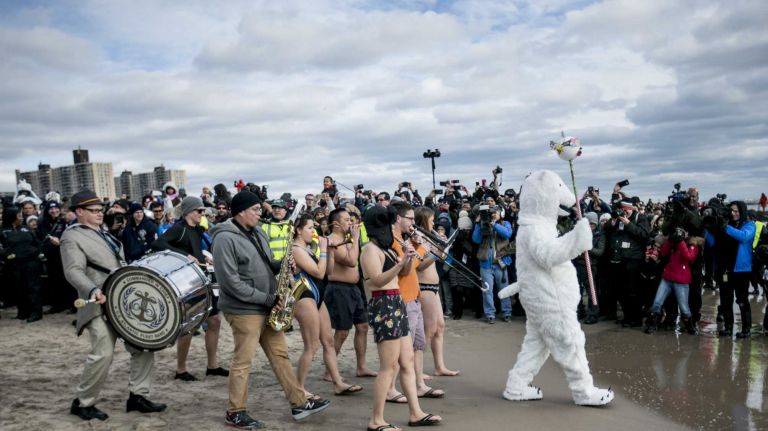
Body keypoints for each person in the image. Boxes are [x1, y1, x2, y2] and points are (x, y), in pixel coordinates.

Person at [210, 190, 330, 429]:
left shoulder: (257, 232)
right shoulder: (224, 239)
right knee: (243, 361)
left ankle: (298, 403)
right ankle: (235, 412)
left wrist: (283, 264)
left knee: (280, 355)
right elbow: (230, 282)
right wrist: (267, 298)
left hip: (266, 304)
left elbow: (266, 262)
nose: (260, 213)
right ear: (241, 211)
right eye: (255, 210)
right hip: (244, 309)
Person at [61, 190, 166, 421]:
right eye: (94, 211)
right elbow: (73, 270)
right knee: (103, 354)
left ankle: (138, 396)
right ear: (79, 212)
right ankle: (83, 403)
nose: (100, 214)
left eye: (101, 210)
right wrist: (92, 290)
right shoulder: (72, 237)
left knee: (143, 346)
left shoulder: (104, 233)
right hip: (98, 302)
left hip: (122, 300)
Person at [361, 206, 442, 431]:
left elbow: (405, 273)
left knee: (406, 361)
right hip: (383, 304)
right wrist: (400, 262)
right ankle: (376, 420)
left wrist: (408, 255)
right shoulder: (369, 250)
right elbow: (376, 280)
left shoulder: (386, 248)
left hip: (396, 301)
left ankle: (415, 413)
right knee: (388, 366)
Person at [152, 196, 229, 381]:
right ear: (188, 212)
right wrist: (184, 255)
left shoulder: (198, 230)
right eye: (199, 211)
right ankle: (181, 369)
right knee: (188, 326)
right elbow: (158, 244)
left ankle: (212, 365)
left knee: (215, 321)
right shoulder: (178, 229)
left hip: (202, 280)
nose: (202, 214)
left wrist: (204, 256)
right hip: (187, 284)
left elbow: (196, 250)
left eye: (203, 211)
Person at [290, 213, 363, 396]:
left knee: (328, 341)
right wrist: (323, 249)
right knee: (312, 345)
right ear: (298, 230)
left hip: (318, 295)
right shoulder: (296, 249)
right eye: (309, 228)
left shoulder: (307, 248)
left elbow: (327, 271)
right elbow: (317, 272)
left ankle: (338, 382)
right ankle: (298, 388)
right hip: (305, 297)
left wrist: (329, 253)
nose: (313, 232)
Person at [390, 201, 445, 400]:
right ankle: (390, 389)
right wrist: (422, 248)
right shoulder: (393, 241)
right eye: (411, 219)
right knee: (403, 349)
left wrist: (417, 244)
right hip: (404, 298)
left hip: (415, 296)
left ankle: (419, 384)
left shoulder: (406, 239)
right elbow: (409, 267)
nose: (414, 223)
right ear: (398, 219)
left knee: (418, 345)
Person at [325, 208, 377, 378]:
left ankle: (361, 367)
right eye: (347, 220)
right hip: (339, 289)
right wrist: (355, 239)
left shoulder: (347, 239)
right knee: (342, 331)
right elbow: (349, 261)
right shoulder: (331, 240)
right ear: (336, 224)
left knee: (362, 326)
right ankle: (328, 371)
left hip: (354, 289)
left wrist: (353, 240)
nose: (351, 223)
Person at [413, 207, 459, 377]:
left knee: (439, 327)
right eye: (431, 219)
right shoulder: (418, 238)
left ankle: (439, 366)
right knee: (428, 330)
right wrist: (438, 252)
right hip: (424, 286)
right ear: (424, 220)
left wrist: (443, 247)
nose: (434, 222)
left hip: (433, 287)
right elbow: (419, 265)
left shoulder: (429, 236)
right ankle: (417, 369)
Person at [644, 227, 702, 335]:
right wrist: (671, 240)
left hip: (682, 280)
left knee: (684, 307)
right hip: (667, 278)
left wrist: (681, 242)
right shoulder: (672, 243)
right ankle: (652, 324)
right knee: (657, 303)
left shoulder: (693, 244)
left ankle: (690, 327)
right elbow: (663, 253)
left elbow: (689, 258)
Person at [602, 199, 650, 326]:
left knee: (633, 291)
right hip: (620, 259)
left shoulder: (641, 218)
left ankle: (636, 318)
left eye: (626, 209)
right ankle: (627, 316)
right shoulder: (618, 219)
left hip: (634, 259)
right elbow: (606, 229)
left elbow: (644, 235)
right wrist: (613, 220)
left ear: (632, 209)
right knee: (622, 291)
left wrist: (628, 223)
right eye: (622, 209)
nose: (624, 212)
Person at [716, 201, 756, 338]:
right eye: (731, 211)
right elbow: (711, 242)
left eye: (736, 211)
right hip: (725, 269)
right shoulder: (726, 225)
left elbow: (744, 236)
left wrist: (725, 227)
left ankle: (746, 329)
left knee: (742, 300)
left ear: (742, 211)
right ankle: (728, 328)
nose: (733, 213)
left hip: (741, 270)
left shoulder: (750, 225)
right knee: (726, 300)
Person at [472, 205, 514, 323]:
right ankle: (490, 314)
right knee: (487, 290)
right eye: (492, 212)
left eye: (496, 212)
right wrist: (478, 224)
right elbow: (476, 240)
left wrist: (494, 224)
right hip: (485, 264)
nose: (493, 214)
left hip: (501, 263)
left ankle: (507, 313)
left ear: (501, 213)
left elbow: (507, 234)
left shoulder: (505, 223)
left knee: (504, 289)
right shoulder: (483, 224)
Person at [0, 206, 43, 322]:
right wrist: (6, 254)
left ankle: (36, 312)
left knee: (33, 288)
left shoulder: (25, 229)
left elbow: (36, 243)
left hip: (30, 263)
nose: (22, 217)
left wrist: (36, 252)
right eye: (19, 215)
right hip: (13, 264)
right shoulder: (3, 230)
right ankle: (23, 311)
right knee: (19, 288)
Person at [38, 201, 76, 314]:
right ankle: (57, 305)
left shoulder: (64, 221)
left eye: (56, 209)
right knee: (54, 281)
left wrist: (60, 241)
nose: (54, 211)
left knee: (68, 280)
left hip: (63, 255)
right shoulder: (42, 223)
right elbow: (40, 238)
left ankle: (72, 305)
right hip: (50, 257)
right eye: (51, 209)